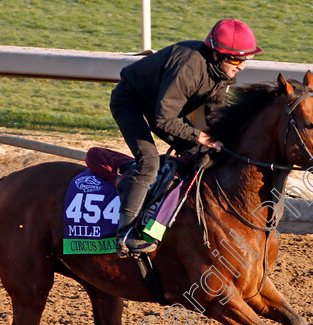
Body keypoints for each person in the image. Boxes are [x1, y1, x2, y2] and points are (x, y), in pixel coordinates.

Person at [110, 18, 262, 254]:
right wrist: (199, 136)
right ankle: (126, 232)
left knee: (201, 155)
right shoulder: (188, 69)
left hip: (161, 105)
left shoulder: (222, 72)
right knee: (149, 161)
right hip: (130, 102)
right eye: (235, 59)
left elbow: (215, 115)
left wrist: (227, 141)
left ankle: (174, 221)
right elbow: (164, 120)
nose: (241, 65)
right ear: (216, 54)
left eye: (245, 59)